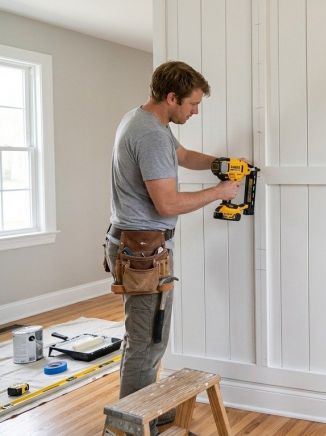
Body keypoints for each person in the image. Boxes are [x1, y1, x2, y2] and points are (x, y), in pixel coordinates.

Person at [104, 61, 240, 433]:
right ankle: (132, 425)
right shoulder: (147, 134)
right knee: (145, 343)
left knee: (149, 339)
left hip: (143, 247)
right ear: (171, 97)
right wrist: (219, 192)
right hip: (142, 252)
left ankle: (149, 411)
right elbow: (166, 205)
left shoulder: (149, 122)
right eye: (192, 104)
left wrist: (220, 164)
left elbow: (180, 157)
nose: (195, 111)